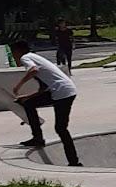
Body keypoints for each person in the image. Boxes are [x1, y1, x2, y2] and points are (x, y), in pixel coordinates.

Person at [8, 37, 81, 166]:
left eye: (14, 53)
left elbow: (33, 70)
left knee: (60, 128)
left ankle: (74, 161)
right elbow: (43, 89)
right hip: (64, 90)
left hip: (62, 93)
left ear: (19, 51)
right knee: (28, 103)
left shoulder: (26, 57)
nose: (14, 57)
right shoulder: (36, 58)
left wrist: (17, 86)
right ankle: (38, 138)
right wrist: (27, 97)